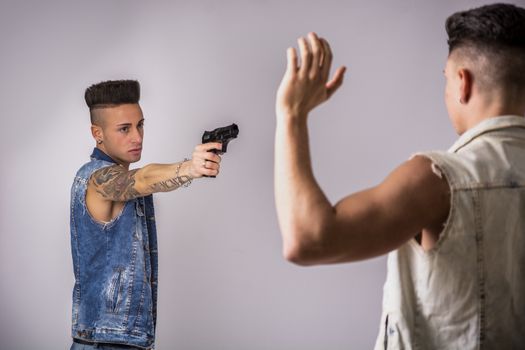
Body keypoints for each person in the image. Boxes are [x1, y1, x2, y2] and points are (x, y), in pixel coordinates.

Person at [274, 3, 525, 349]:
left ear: (462, 83)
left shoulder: (440, 180)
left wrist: (292, 115)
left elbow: (307, 239)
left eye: (446, 80)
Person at [70, 80, 222, 349]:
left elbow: (141, 181)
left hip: (122, 340)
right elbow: (141, 179)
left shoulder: (117, 178)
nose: (137, 137)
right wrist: (190, 167)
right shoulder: (96, 179)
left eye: (140, 125)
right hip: (106, 342)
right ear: (98, 133)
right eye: (124, 129)